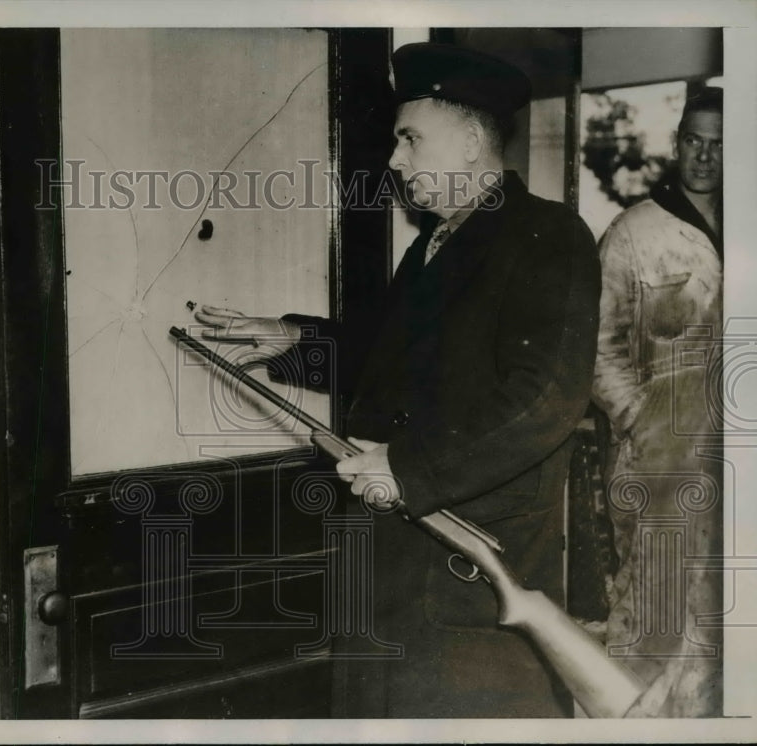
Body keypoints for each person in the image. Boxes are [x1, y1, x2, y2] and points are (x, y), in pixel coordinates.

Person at [197, 42, 601, 717]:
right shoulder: (435, 244)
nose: (395, 160)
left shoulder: (549, 235)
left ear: (473, 141)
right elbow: (392, 359)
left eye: (410, 139)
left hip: (462, 582)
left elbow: (543, 401)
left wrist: (409, 470)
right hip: (392, 562)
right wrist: (290, 337)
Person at [591, 87, 723, 717]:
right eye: (693, 140)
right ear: (676, 145)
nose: (704, 155)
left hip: (739, 466)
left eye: (721, 144)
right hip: (661, 467)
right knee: (654, 620)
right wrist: (641, 423)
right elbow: (598, 349)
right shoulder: (635, 233)